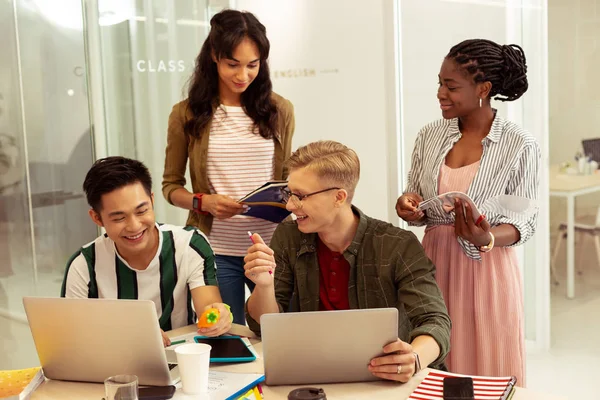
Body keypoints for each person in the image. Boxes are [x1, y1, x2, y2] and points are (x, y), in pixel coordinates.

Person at [395, 39, 540, 385]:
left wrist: (486, 237)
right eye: (440, 83)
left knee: (488, 361)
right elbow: (415, 192)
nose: (440, 93)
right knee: (435, 358)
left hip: (487, 268)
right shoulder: (429, 135)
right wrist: (408, 204)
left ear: (483, 88)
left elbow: (526, 222)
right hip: (431, 264)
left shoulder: (519, 144)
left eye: (451, 86)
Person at [244, 140, 451, 383]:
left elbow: (435, 322)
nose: (290, 205)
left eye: (300, 196)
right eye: (289, 194)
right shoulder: (288, 236)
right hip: (314, 374)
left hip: (385, 380)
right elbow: (266, 326)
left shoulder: (397, 245)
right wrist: (264, 286)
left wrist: (413, 358)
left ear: (339, 197)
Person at [162, 9, 295, 326]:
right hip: (216, 249)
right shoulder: (186, 114)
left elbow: (288, 179)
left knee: (277, 332)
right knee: (227, 335)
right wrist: (203, 202)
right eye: (232, 64)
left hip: (270, 248)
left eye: (253, 65)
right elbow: (170, 186)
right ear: (213, 56)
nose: (243, 75)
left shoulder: (280, 110)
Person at [62, 157, 232, 346]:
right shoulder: (84, 265)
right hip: (114, 366)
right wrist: (128, 332)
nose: (134, 226)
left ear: (152, 200)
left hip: (180, 361)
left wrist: (217, 316)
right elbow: (73, 338)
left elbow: (208, 310)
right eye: (119, 218)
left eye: (142, 211)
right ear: (97, 218)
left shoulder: (190, 245)